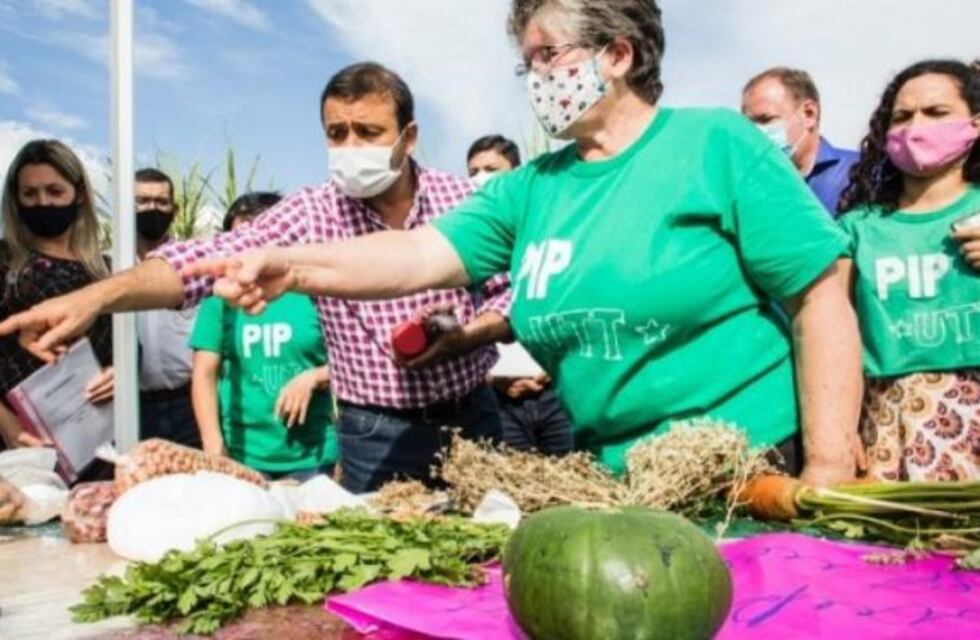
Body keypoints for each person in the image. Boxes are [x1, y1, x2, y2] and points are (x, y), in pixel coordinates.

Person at [175, 0, 865, 486]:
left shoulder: (715, 143)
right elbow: (416, 254)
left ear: (617, 54)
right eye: (527, 62)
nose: (535, 77)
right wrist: (291, 265)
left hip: (749, 461)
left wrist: (828, 466)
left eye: (548, 55)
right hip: (619, 474)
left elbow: (819, 292)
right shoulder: (531, 189)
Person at [0, 63, 511, 494]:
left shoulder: (462, 203)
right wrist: (96, 298)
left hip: (471, 418)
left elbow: (510, 292)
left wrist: (469, 336)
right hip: (372, 432)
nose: (351, 147)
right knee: (381, 582)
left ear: (409, 136)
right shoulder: (313, 213)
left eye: (369, 133)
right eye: (337, 133)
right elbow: (210, 256)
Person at [838, 59, 980, 482]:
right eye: (902, 116)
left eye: (937, 113)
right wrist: (840, 429)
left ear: (974, 124)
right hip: (883, 420)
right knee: (890, 548)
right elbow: (833, 335)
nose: (916, 126)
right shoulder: (857, 229)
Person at [190, 192, 337, 480]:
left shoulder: (314, 292)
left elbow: (355, 361)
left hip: (311, 456)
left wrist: (314, 377)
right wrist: (213, 446)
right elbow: (204, 374)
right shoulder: (220, 300)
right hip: (242, 455)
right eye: (238, 242)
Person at [0, 139, 114, 456]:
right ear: (16, 199)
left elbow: (129, 343)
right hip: (22, 441)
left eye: (54, 191)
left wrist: (119, 373)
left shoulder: (103, 270)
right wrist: (6, 422)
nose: (42, 202)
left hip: (98, 438)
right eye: (30, 194)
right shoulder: (5, 261)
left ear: (77, 194)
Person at [467, 134, 574, 455]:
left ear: (517, 174)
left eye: (490, 168)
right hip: (500, 402)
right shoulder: (469, 253)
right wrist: (493, 379)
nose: (480, 178)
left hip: (558, 394)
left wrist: (557, 365)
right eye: (472, 172)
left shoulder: (546, 233)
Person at [134, 168, 200, 448]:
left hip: (189, 403)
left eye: (161, 202)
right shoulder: (108, 267)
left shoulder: (195, 263)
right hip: (130, 405)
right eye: (143, 201)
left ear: (174, 209)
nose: (152, 208)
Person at [742, 67, 859, 215]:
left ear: (809, 114)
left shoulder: (861, 173)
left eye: (766, 120)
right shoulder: (750, 188)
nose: (756, 133)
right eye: (749, 125)